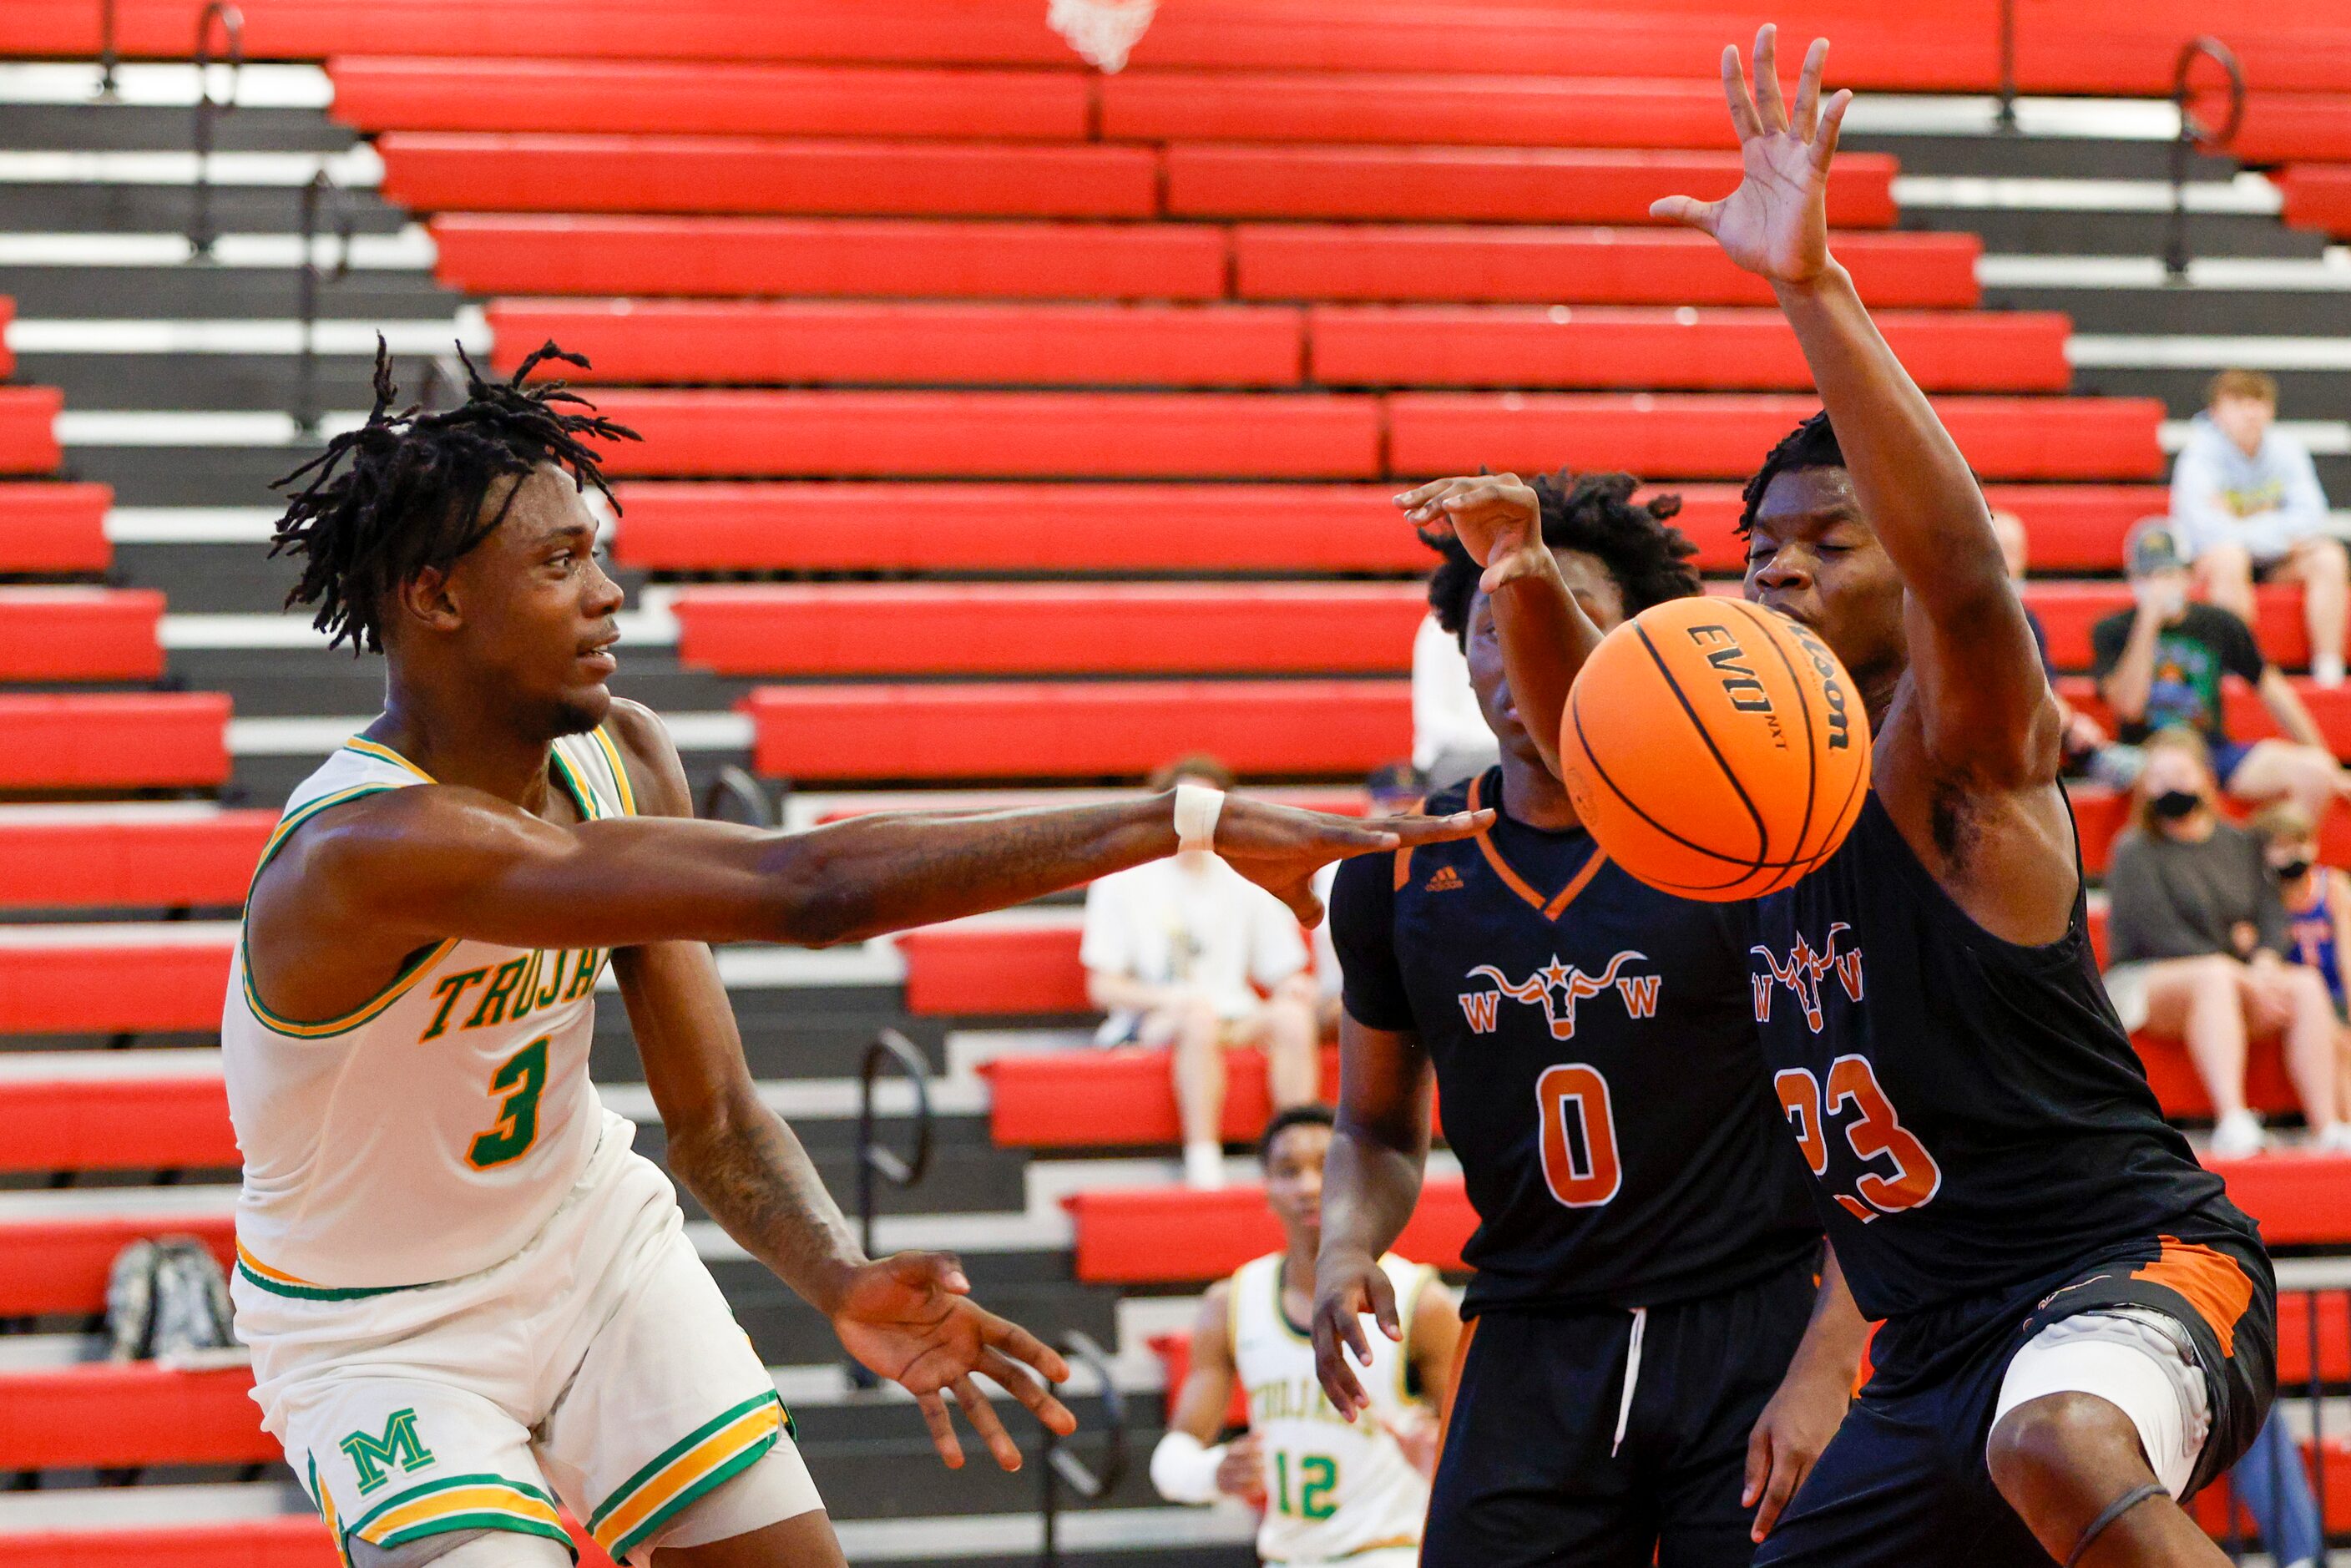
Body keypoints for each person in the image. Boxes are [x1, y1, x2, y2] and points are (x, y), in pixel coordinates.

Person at [228, 345, 1489, 1568]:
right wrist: (1177, 817)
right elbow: (811, 890)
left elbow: (712, 1114)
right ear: (437, 596)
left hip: (587, 1245)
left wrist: (835, 1272)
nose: (608, 593)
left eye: (598, 553)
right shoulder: (366, 849)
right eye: (561, 563)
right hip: (381, 1330)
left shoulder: (621, 751)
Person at [1415, 30, 2276, 1567]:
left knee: (2057, 1437)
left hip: (2122, 1275)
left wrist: (1810, 287)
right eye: (1762, 548)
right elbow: (1582, 727)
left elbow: (1960, 571)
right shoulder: (1739, 800)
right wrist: (1522, 569)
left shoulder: (1960, 762)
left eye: (1829, 538)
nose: (1782, 566)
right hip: (1925, 1342)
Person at [1316, 468, 1866, 1568]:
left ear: (1636, 654)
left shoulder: (1743, 842)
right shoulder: (1396, 869)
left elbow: (1864, 1116)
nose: (1519, 649)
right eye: (1490, 622)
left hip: (1748, 1322)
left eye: (1559, 616)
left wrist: (1823, 1368)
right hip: (1530, 1331)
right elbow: (1375, 1126)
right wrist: (1344, 1243)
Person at [1153, 1105, 1460, 1568]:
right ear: (1266, 1187)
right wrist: (1211, 1472)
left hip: (1389, 1553)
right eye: (1288, 1170)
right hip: (1288, 1557)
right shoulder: (1232, 1301)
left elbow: (1483, 1449)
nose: (1309, 1186)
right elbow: (1173, 1457)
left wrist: (1435, 1455)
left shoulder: (1421, 1301)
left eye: (1327, 1167)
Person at [2099, 729, 2347, 1158]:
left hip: (2234, 976)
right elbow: (2157, 934)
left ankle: (2327, 1126)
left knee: (2304, 984)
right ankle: (2233, 1121)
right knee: (2214, 977)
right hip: (2145, 979)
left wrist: (2267, 958)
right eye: (2156, 778)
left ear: (2205, 778)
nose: (2168, 787)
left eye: (2179, 774)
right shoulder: (2133, 850)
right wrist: (2241, 971)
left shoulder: (2239, 842)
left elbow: (2271, 912)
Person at [1082, 756, 1327, 1190]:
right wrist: (1168, 999)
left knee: (1291, 1018)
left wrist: (1294, 986)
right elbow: (1102, 985)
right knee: (1197, 1018)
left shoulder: (1246, 873)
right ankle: (1203, 1157)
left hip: (1232, 1012)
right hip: (1156, 1020)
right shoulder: (1122, 878)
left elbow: (1282, 968)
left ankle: (1300, 1146)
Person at [2092, 518, 2346, 824]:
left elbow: (2274, 691)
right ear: (2132, 579)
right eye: (2147, 576)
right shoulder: (2112, 630)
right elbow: (2129, 707)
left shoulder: (2219, 624)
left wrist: (2328, 763)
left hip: (2212, 749)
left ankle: (2270, 861)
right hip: (2146, 753)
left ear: (2187, 575)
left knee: (2314, 773)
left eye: (2168, 573)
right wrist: (2148, 622)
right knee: (2173, 774)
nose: (2158, 585)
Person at [2172, 368, 2345, 687]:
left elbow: (2311, 517)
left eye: (2258, 401)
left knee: (2329, 557)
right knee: (2229, 557)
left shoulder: (2288, 450)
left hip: (2273, 561)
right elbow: (2207, 532)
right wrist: (2277, 534)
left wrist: (2244, 527)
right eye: (2238, 402)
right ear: (2216, 411)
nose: (2250, 412)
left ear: (2271, 409)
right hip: (2217, 562)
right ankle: (2244, 669)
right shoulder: (2198, 456)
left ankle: (2329, 668)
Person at [1989, 508, 2133, 789]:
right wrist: (2066, 719)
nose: (2008, 560)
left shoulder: (2026, 619)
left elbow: (2044, 690)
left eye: (2016, 552)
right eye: (2000, 548)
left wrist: (2071, 720)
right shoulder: (1964, 620)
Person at [2251, 799, 2351, 1151]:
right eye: (2282, 846)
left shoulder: (2332, 886)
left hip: (2335, 996)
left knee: (2344, 1037)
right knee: (2331, 1038)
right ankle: (2335, 1127)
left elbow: (2347, 956)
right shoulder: (2260, 899)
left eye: (2301, 843)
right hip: (2294, 1002)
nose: (2294, 854)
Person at [1308, 763, 1425, 1037]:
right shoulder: (1340, 865)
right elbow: (1347, 945)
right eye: (1391, 805)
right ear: (1369, 806)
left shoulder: (1446, 862)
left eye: (1409, 805)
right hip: (1344, 992)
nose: (1400, 816)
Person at [1413, 609, 1498, 790]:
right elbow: (1434, 723)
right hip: (1449, 757)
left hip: (1499, 750)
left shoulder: (1515, 622)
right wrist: (1497, 739)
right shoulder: (1439, 629)